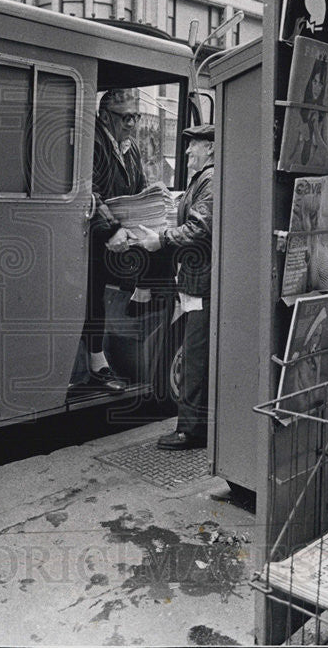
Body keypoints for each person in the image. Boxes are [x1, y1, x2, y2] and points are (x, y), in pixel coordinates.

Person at [133, 123, 215, 450]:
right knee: (195, 353)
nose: (187, 152)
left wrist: (161, 240)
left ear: (210, 147)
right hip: (195, 280)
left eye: (193, 145)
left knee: (195, 355)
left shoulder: (210, 180)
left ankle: (191, 431)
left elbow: (198, 229)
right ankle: (193, 425)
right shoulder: (203, 181)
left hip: (201, 282)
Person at [76, 88, 147, 391]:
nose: (132, 124)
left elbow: (140, 188)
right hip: (90, 235)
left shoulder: (130, 147)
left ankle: (107, 356)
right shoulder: (92, 140)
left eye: (136, 117)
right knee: (91, 295)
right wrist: (111, 229)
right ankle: (95, 362)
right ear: (105, 117)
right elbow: (88, 191)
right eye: (126, 118)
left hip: (119, 232)